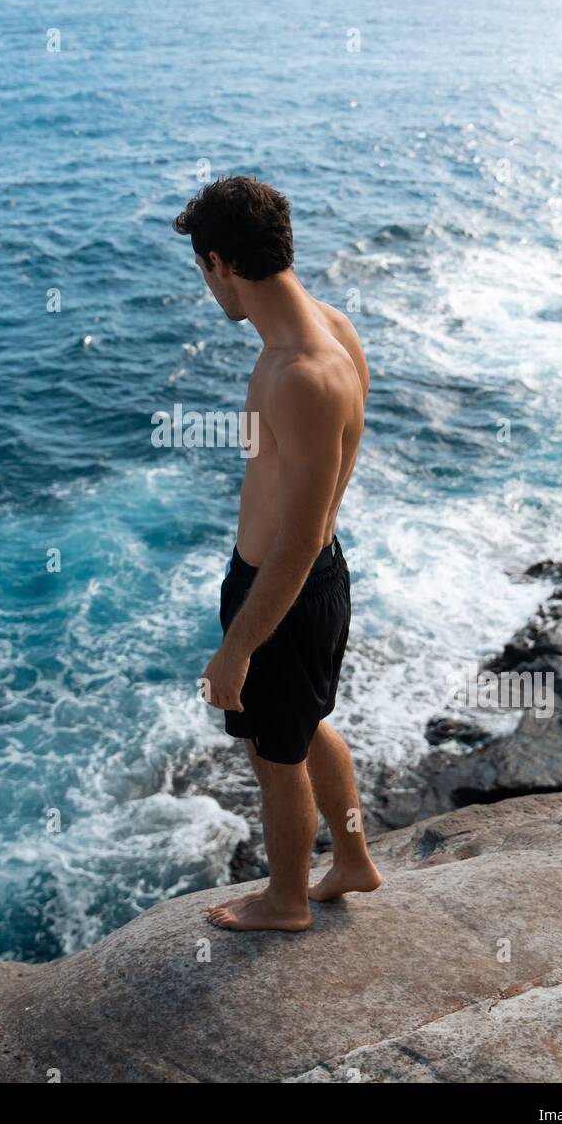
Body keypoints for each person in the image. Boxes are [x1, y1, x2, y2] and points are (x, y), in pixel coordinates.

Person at [173, 175, 382, 932]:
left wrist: (237, 648)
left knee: (275, 754)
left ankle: (286, 901)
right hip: (315, 576)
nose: (208, 287)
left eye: (203, 271)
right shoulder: (332, 329)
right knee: (310, 722)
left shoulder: (300, 375)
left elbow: (295, 537)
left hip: (284, 586)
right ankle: (353, 860)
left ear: (221, 263)